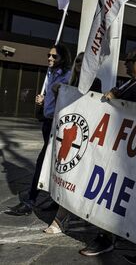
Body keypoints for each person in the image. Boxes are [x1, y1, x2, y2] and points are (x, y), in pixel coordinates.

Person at [80, 48, 136, 258]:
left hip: (129, 154)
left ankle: (107, 238)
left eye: (129, 60)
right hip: (119, 148)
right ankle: (109, 234)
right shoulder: (131, 83)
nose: (124, 63)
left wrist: (116, 99)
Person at [5, 44, 71, 216]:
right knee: (49, 164)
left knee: (44, 163)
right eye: (48, 55)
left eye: (54, 56)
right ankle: (55, 201)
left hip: (58, 127)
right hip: (47, 122)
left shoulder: (67, 76)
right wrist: (43, 100)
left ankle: (30, 201)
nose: (49, 58)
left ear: (62, 58)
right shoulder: (50, 74)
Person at [44, 52, 102, 234]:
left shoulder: (96, 82)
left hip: (83, 136)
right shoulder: (70, 82)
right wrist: (59, 90)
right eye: (77, 61)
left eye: (83, 62)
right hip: (67, 132)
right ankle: (62, 209)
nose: (79, 64)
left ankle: (61, 218)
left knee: (75, 175)